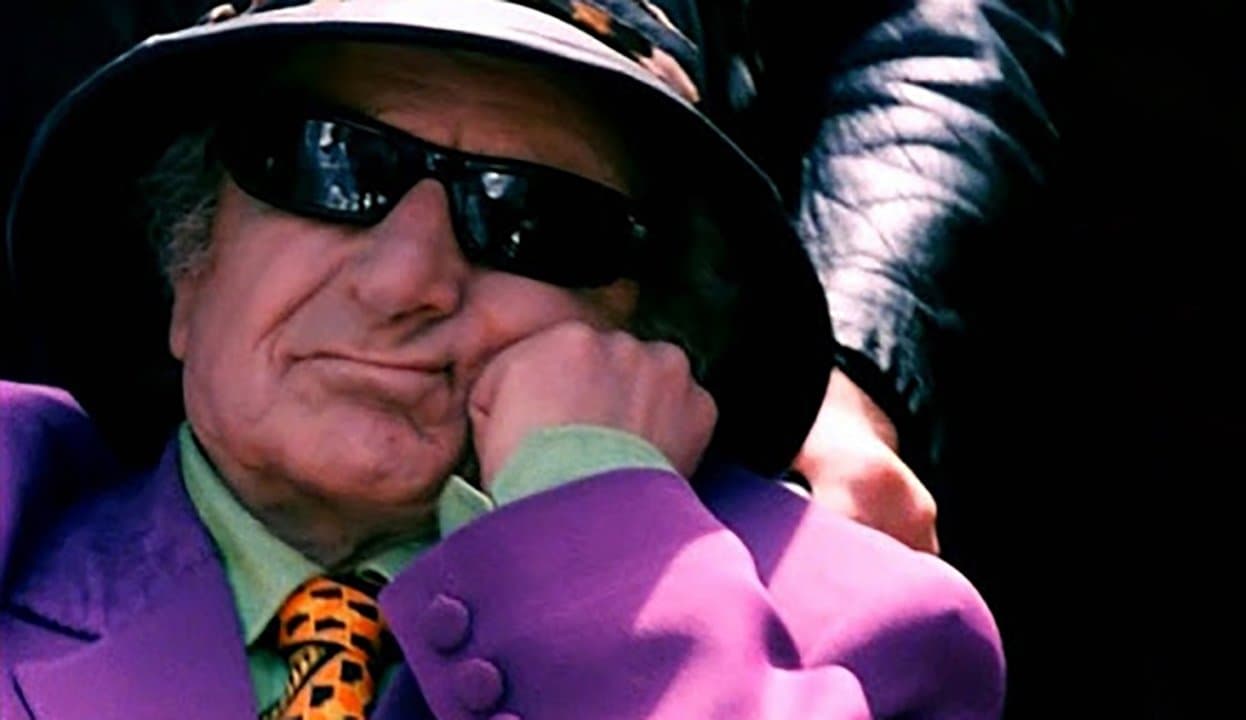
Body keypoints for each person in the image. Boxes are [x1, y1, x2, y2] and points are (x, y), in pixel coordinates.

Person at [0, 0, 1003, 718]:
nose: (405, 280)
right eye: (329, 163)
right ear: (186, 260)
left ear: (655, 330)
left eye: (530, 216)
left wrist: (601, 542)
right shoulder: (14, 500)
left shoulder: (863, 634)